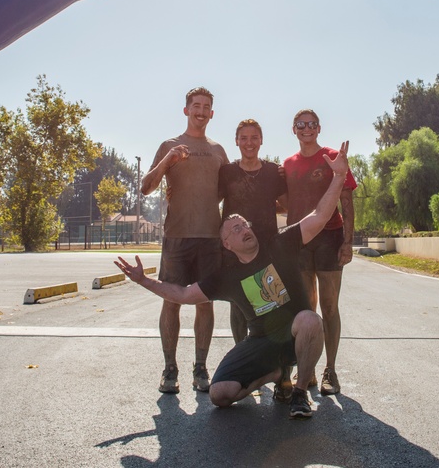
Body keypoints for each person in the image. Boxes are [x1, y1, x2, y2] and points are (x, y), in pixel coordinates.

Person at [116, 142, 350, 420]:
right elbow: (183, 293)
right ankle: (274, 373)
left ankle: (299, 393)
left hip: (294, 337)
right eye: (235, 229)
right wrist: (145, 281)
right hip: (261, 344)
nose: (243, 230)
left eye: (244, 225)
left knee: (311, 320)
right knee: (220, 394)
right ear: (226, 244)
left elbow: (320, 215)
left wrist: (338, 176)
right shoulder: (226, 276)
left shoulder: (280, 244)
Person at [140, 87, 229, 395]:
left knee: (205, 304)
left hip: (210, 238)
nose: (201, 111)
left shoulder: (218, 150)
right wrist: (167, 161)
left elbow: (223, 192)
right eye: (196, 106)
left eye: (206, 107)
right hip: (176, 237)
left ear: (212, 113)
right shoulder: (170, 144)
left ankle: (201, 368)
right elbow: (145, 188)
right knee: (172, 300)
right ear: (186, 110)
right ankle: (169, 369)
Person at [282, 109, 356, 396]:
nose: (306, 129)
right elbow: (284, 202)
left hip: (329, 238)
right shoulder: (287, 164)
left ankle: (331, 371)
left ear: (319, 128)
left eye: (312, 124)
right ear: (294, 130)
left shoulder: (333, 157)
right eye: (301, 125)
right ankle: (307, 369)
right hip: (299, 241)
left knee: (329, 306)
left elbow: (347, 204)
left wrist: (347, 242)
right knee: (304, 308)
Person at [218, 119, 287, 346]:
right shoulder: (227, 172)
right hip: (236, 252)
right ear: (236, 141)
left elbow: (289, 205)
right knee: (239, 308)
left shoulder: (273, 171)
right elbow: (210, 202)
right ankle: (242, 360)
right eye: (244, 138)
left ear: (261, 140)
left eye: (254, 137)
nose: (249, 143)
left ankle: (282, 373)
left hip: (267, 249)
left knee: (273, 306)